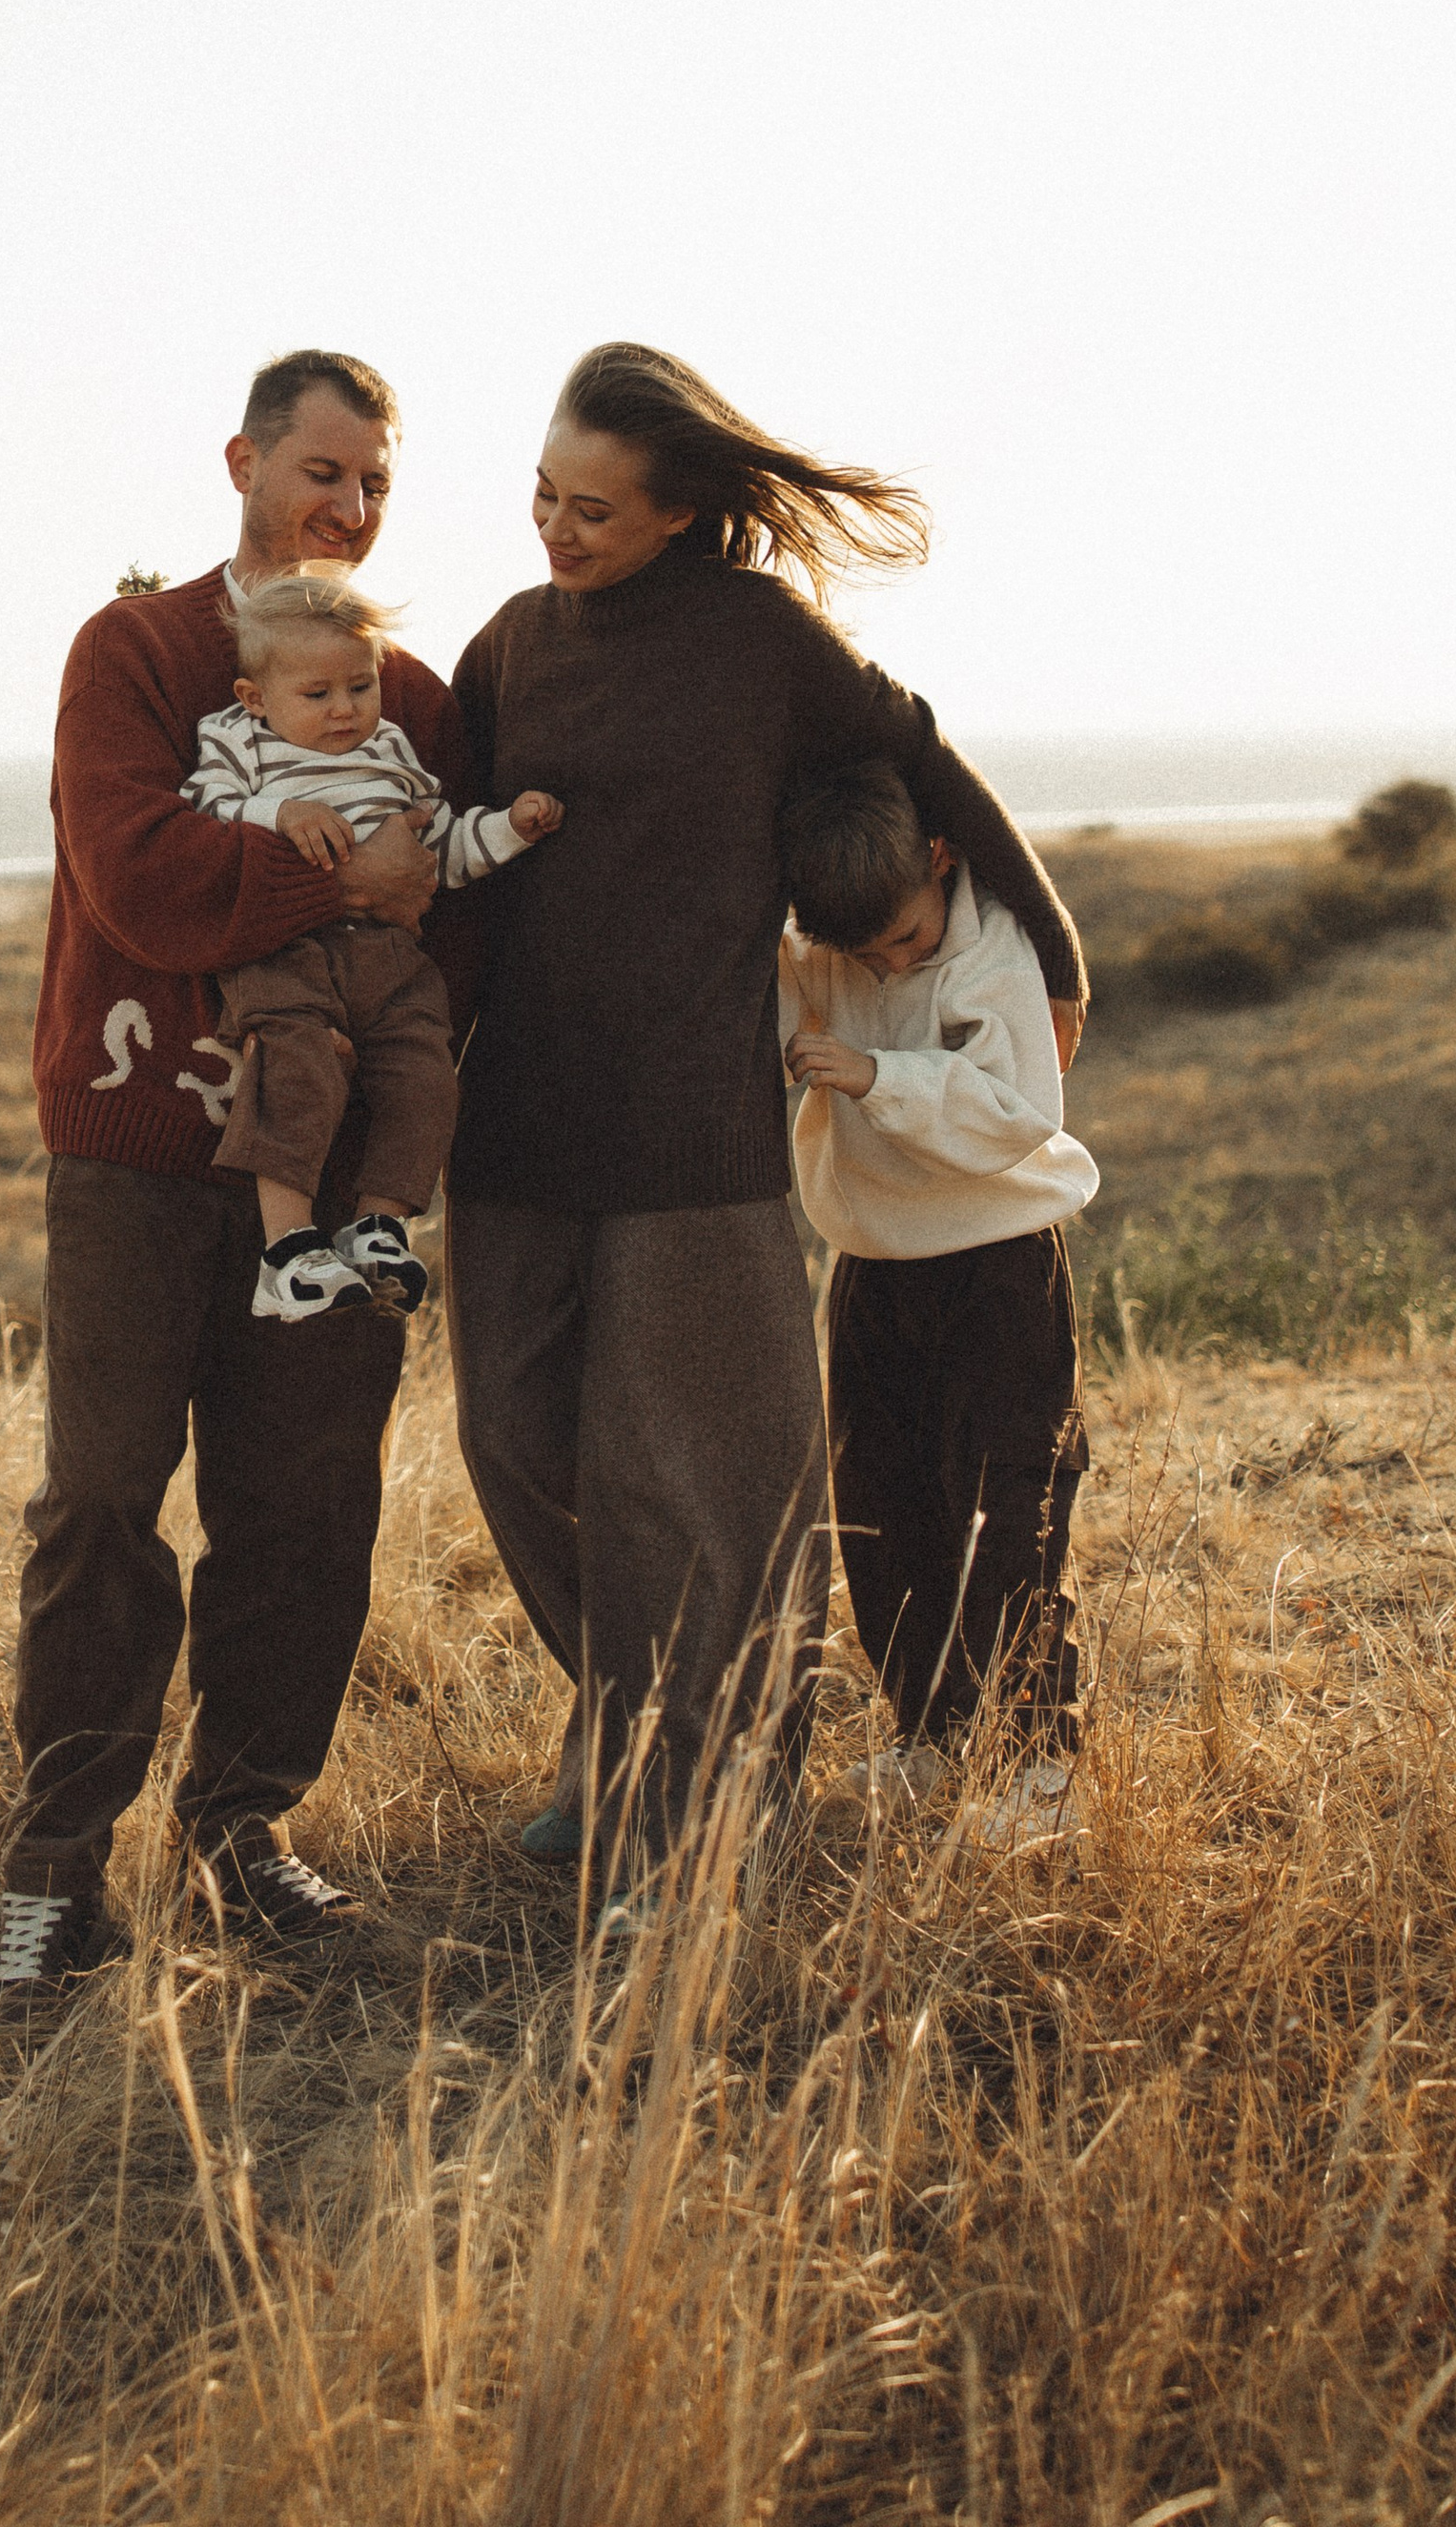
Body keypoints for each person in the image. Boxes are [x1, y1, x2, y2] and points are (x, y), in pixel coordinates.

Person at [443, 341, 1086, 1915]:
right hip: (515, 1123)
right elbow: (437, 849)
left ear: (678, 515)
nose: (556, 526)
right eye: (542, 489)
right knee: (516, 1449)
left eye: (593, 507)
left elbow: (920, 751)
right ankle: (634, 1735)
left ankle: (704, 1805)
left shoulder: (755, 641)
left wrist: (1056, 953)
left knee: (696, 1487)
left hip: (695, 1136)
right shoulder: (512, 646)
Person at [0, 347, 461, 2016]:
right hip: (131, 1152)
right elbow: (138, 880)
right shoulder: (136, 653)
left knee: (304, 1510)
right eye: (321, 470)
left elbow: (447, 905)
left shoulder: (403, 688)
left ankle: (240, 1831)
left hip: (326, 1182)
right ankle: (54, 1875)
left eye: (373, 482)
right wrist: (340, 877)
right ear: (245, 462)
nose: (346, 504)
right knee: (104, 1505)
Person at [778, 763, 1097, 1846]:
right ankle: (931, 1732)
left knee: (1010, 1505)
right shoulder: (836, 933)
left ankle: (1036, 1761)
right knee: (882, 1502)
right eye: (861, 955)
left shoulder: (993, 945)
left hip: (998, 1259)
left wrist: (876, 1076)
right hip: (874, 1259)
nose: (885, 964)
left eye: (903, 942)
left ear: (940, 861)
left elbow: (1017, 1112)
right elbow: (778, 1000)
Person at [184, 565, 561, 1320]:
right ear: (255, 697)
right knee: (297, 1068)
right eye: (316, 695)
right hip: (286, 948)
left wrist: (508, 830)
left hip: (388, 956)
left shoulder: (391, 749)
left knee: (425, 1075)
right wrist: (281, 813)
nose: (343, 711)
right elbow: (207, 812)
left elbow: (439, 852)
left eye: (360, 686)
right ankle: (287, 1251)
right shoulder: (240, 743)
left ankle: (379, 1224)